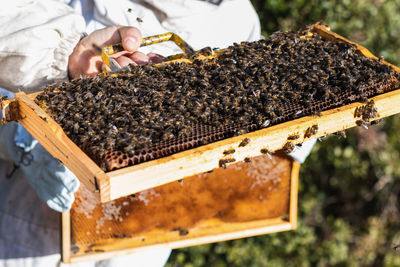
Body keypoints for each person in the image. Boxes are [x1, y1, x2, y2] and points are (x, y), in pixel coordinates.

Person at [0, 0, 314, 266]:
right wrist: (32, 144)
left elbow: (260, 136)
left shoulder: (240, 19)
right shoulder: (70, 10)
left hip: (147, 229)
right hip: (32, 229)